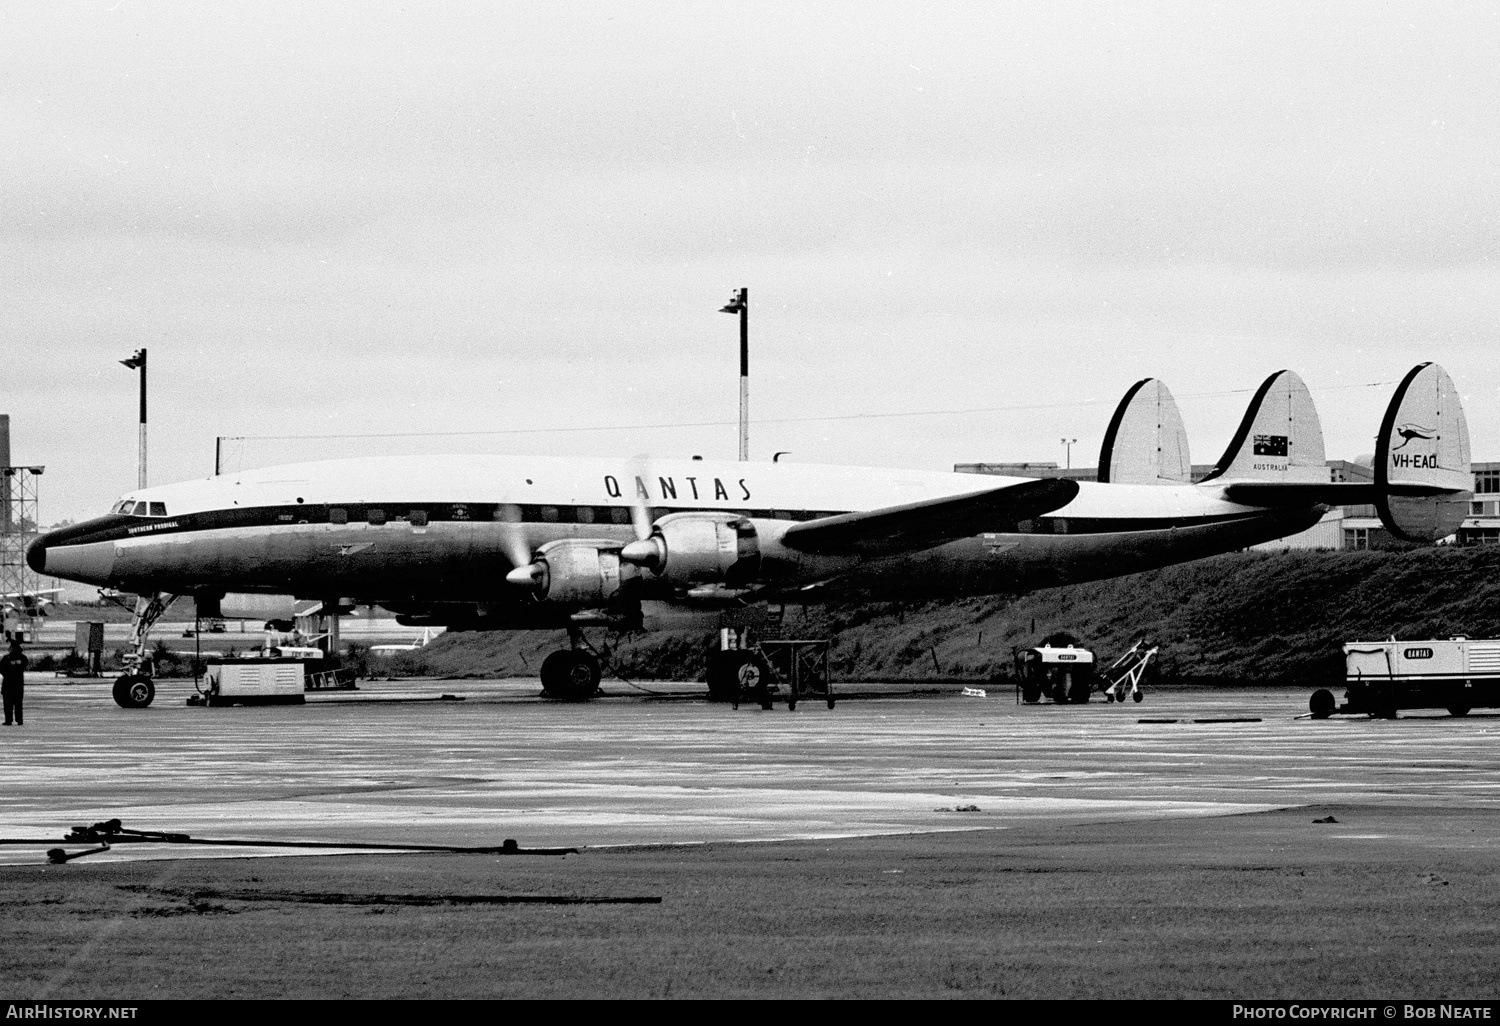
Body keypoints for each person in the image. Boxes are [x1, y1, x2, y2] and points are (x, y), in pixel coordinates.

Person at [1, 638, 26, 726]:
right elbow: (24, 665)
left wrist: (8, 675)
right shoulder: (23, 658)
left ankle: (9, 720)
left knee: (8, 704)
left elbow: (1, 669)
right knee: (18, 704)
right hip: (18, 683)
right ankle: (19, 720)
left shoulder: (6, 658)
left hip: (8, 683)